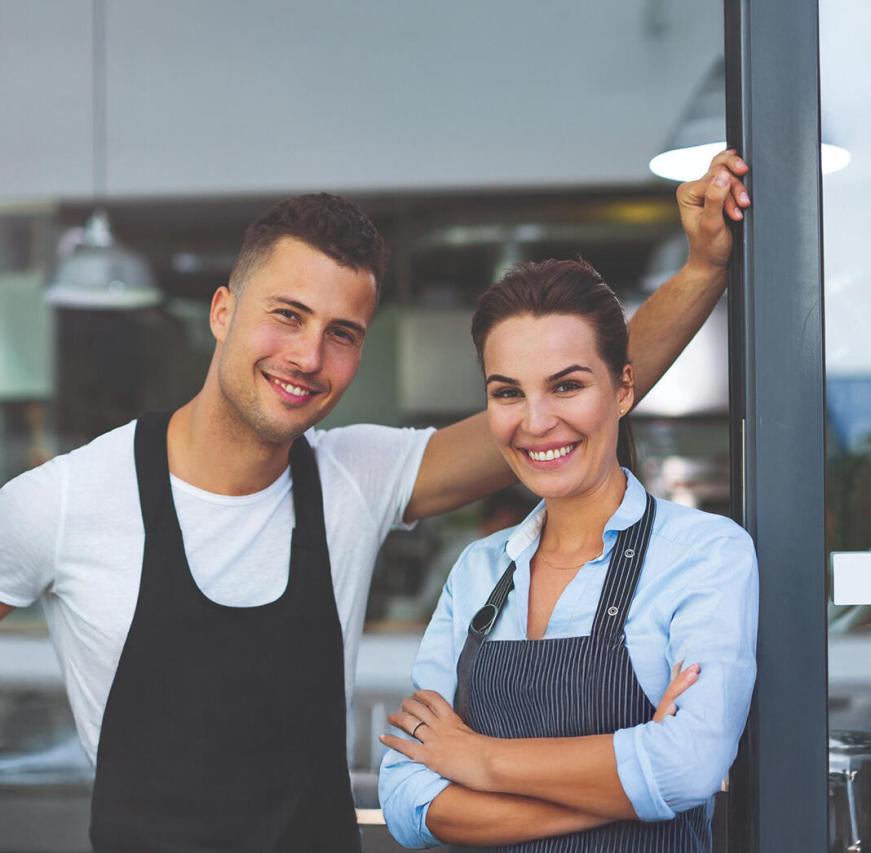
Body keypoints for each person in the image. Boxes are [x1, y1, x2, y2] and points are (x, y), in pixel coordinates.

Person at [0, 151, 750, 851]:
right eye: (286, 314)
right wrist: (635, 782)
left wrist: (703, 268)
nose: (306, 357)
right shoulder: (64, 501)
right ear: (223, 309)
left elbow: (561, 404)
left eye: (342, 333)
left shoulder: (354, 475)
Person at [378, 259, 758, 851]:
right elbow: (407, 802)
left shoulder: (703, 555)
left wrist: (476, 758)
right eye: (508, 393)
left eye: (567, 385)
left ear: (623, 387)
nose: (536, 422)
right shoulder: (478, 571)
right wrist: (622, 787)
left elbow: (688, 766)